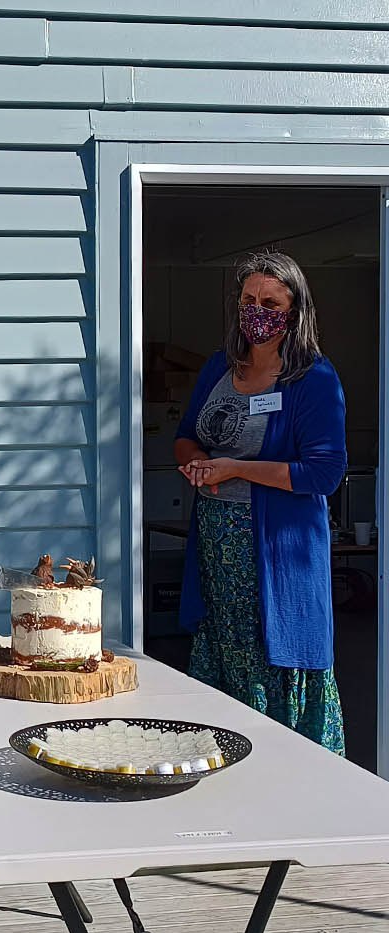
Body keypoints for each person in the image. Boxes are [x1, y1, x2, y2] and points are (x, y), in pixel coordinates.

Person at [174, 250, 346, 753]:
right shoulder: (219, 368)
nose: (257, 311)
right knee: (224, 650)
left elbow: (324, 473)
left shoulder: (313, 378)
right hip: (216, 545)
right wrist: (197, 462)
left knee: (269, 658)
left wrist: (235, 468)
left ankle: (283, 765)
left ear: (295, 311)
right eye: (249, 299)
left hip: (274, 552)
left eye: (271, 302)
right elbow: (186, 435)